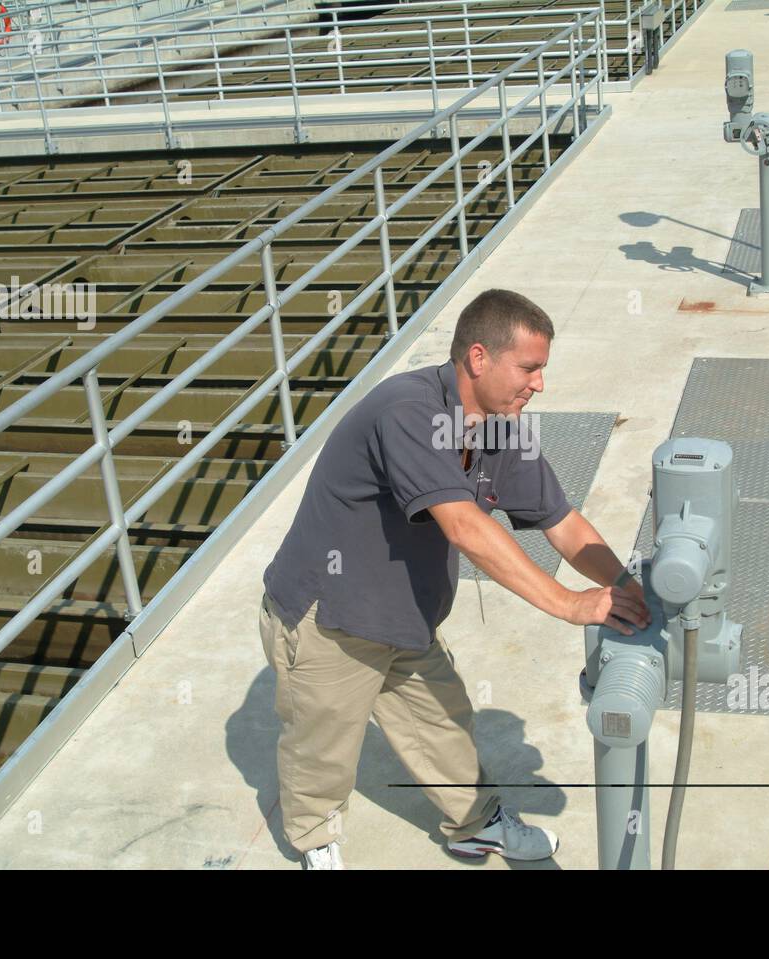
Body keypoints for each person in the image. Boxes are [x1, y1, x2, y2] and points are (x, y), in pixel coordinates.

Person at [259, 288, 650, 869]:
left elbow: (562, 523)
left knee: (443, 722)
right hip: (330, 617)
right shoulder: (408, 412)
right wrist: (571, 605)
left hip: (408, 614)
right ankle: (316, 842)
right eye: (530, 368)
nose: (539, 384)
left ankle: (474, 825)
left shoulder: (500, 427)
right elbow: (464, 526)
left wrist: (625, 587)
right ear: (478, 358)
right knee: (324, 746)